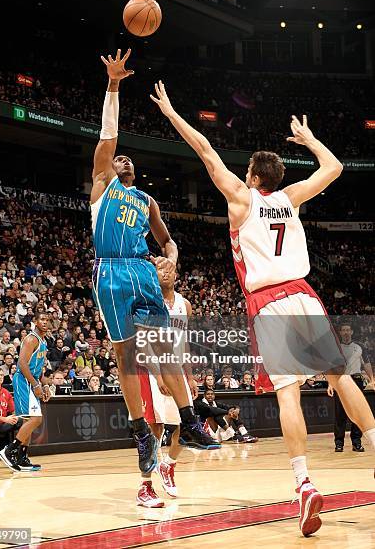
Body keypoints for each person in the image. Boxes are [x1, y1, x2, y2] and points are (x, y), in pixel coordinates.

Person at [151, 81, 375, 537]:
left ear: (253, 176)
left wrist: (172, 113)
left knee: (288, 394)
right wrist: (309, 139)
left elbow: (207, 150)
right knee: (340, 377)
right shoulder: (290, 198)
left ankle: (304, 482)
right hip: (304, 293)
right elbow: (332, 168)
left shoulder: (242, 199)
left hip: (269, 301)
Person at [90, 49, 215, 475]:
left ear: (135, 171)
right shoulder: (103, 186)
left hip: (143, 269)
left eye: (126, 158)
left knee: (163, 351)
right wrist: (113, 84)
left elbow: (166, 239)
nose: (120, 157)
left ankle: (191, 419)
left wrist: (172, 258)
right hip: (110, 270)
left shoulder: (147, 201)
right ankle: (140, 429)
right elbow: (108, 136)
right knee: (127, 357)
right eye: (116, 156)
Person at [135, 263, 211, 508]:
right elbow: (142, 343)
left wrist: (189, 377)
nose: (165, 272)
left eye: (169, 269)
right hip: (152, 371)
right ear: (152, 275)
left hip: (177, 371)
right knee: (154, 429)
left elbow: (185, 344)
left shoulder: (184, 305)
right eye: (159, 269)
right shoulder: (146, 302)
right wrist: (158, 376)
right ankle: (145, 486)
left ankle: (168, 465)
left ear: (177, 275)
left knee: (185, 427)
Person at [0, 311, 51, 472]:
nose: (45, 322)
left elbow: (39, 368)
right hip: (23, 380)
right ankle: (9, 450)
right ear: (35, 321)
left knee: (30, 420)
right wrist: (35, 385)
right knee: (36, 419)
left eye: (47, 320)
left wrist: (45, 385)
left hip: (31, 380)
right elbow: (21, 363)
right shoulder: (30, 339)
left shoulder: (43, 341)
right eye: (42, 319)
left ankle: (21, 456)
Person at [328, 322, 374, 453]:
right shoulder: (336, 347)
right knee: (339, 414)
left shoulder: (359, 347)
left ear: (352, 332)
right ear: (341, 333)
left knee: (358, 413)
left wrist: (372, 379)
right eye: (344, 330)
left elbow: (366, 364)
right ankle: (339, 443)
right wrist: (331, 383)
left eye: (348, 330)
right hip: (340, 380)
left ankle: (356, 442)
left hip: (357, 380)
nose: (346, 332)